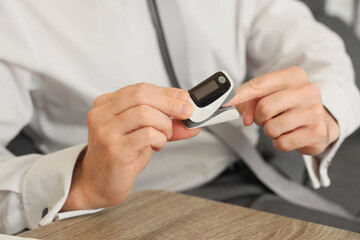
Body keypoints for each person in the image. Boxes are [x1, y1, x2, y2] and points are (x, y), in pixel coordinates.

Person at [1, 0, 359, 235]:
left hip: (263, 177)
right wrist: (80, 183)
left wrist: (325, 109)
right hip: (127, 213)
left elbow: (314, 47)